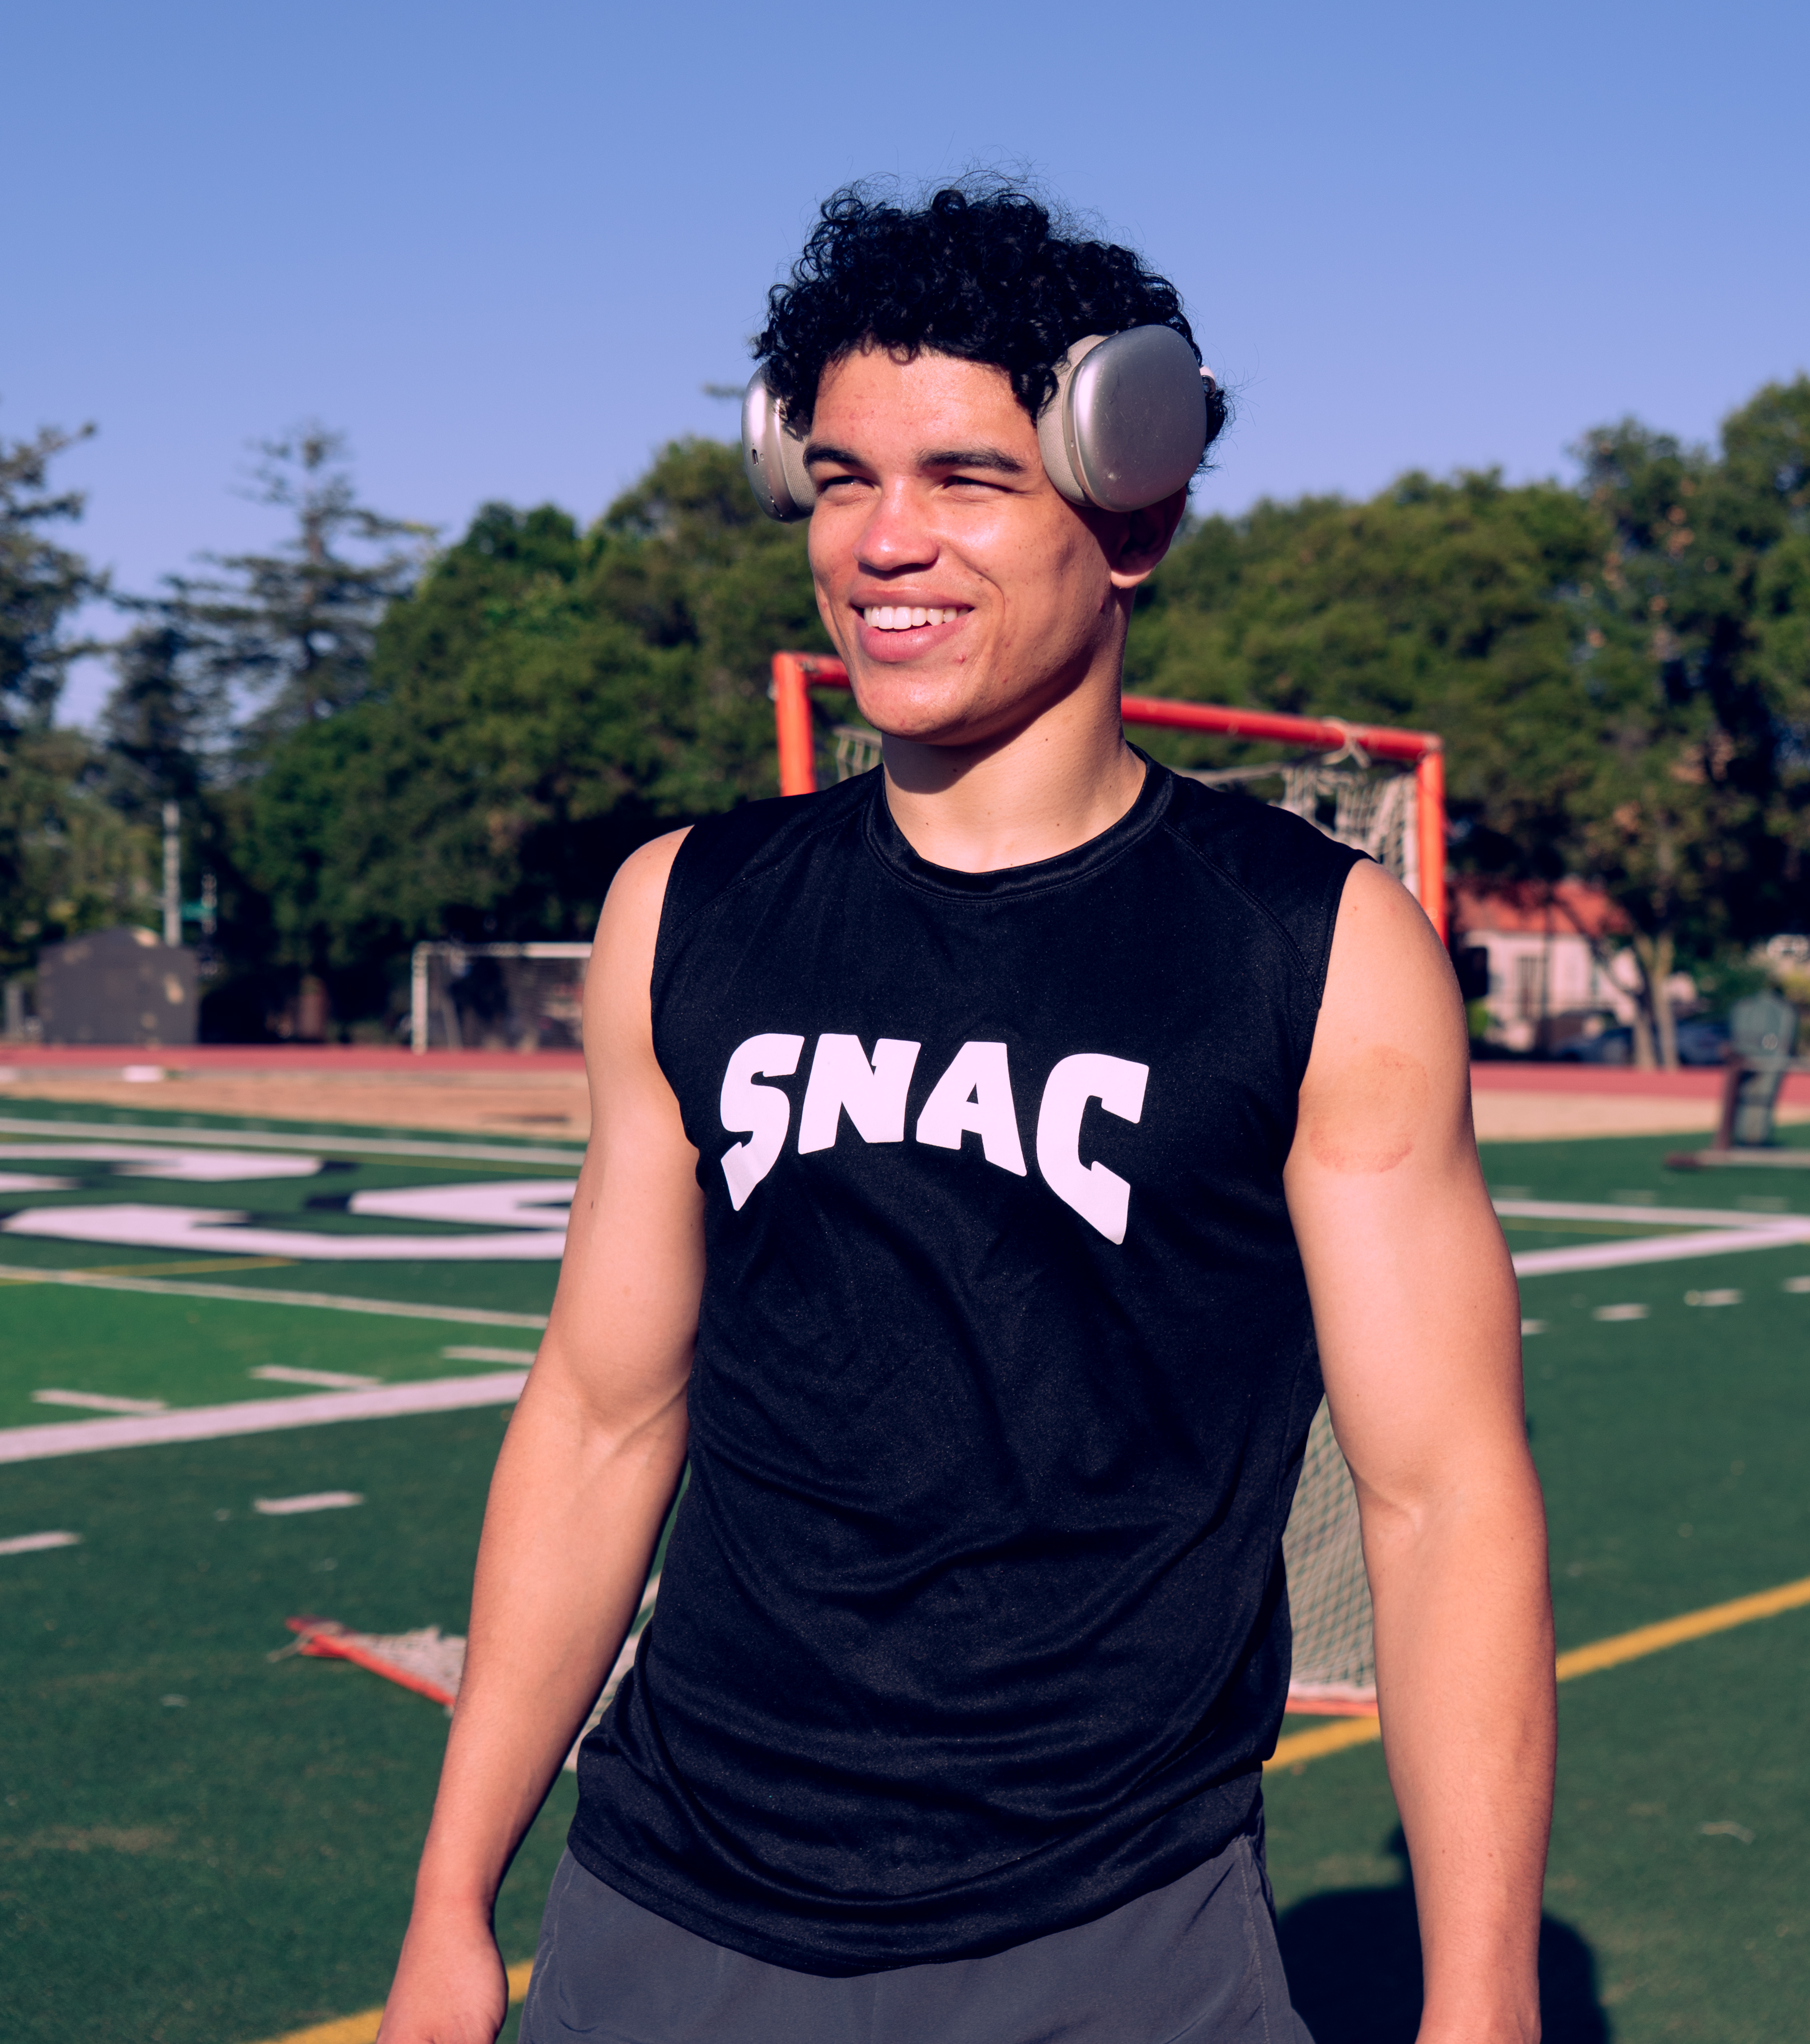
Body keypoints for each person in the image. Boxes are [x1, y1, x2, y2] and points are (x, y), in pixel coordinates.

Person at [378, 183, 1554, 2044]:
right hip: (664, 1903)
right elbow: (604, 1419)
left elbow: (1438, 1501)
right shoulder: (682, 908)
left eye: (965, 481)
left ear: (1134, 506)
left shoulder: (1315, 945)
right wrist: (456, 1897)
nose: (882, 542)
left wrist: (1479, 2001)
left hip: (1109, 1929)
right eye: (839, 478)